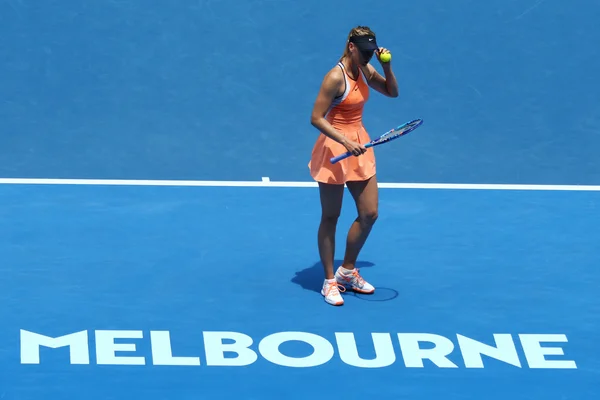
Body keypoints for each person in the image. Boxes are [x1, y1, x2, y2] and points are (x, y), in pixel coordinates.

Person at [308, 26, 399, 306]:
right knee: (331, 217)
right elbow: (316, 117)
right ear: (351, 47)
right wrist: (345, 142)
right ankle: (329, 281)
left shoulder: (366, 69)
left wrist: (388, 66)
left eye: (373, 52)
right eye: (365, 52)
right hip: (336, 145)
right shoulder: (335, 77)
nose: (369, 57)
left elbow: (391, 91)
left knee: (369, 213)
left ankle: (347, 271)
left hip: (359, 143)